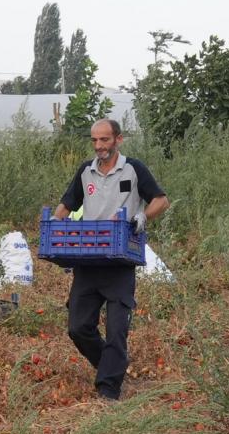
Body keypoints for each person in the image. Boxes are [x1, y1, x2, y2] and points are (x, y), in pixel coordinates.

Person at [52, 119, 170, 401]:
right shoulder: (86, 171)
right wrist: (55, 232)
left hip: (120, 261)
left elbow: (161, 200)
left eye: (104, 140)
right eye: (94, 140)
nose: (98, 146)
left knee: (117, 330)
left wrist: (143, 215)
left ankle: (108, 389)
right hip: (89, 260)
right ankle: (110, 365)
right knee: (78, 328)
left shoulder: (133, 169)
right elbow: (67, 205)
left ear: (118, 139)